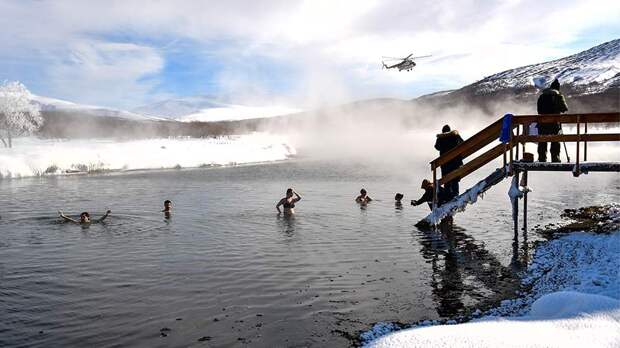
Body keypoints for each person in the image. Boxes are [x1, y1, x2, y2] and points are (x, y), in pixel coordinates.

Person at [536, 78, 568, 162]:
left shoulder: (542, 96)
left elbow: (539, 110)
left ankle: (542, 158)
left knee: (542, 140)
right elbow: (564, 108)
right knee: (555, 140)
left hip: (542, 122)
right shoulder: (558, 95)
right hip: (554, 122)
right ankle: (555, 158)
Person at [434, 125, 464, 198]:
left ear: (443, 131)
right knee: (455, 179)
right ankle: (456, 195)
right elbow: (462, 143)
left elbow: (437, 147)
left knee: (446, 179)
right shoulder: (455, 136)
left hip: (445, 163)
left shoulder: (440, 137)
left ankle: (447, 197)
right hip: (455, 161)